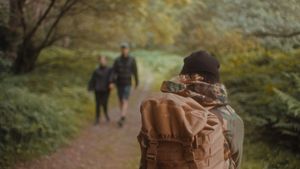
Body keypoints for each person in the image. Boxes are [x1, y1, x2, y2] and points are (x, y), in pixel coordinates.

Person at [138, 50, 244, 169]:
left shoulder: (162, 110)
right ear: (215, 82)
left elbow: (146, 153)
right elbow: (235, 161)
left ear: (182, 77)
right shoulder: (229, 118)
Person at [110, 43, 138, 127]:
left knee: (125, 99)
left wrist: (137, 81)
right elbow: (113, 72)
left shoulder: (132, 60)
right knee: (120, 100)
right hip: (119, 82)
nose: (124, 50)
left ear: (128, 50)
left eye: (125, 49)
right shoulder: (117, 60)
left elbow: (135, 71)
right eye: (123, 49)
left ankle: (122, 116)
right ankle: (123, 114)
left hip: (128, 83)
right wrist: (112, 82)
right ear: (121, 50)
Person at [88, 56, 112, 125]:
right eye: (101, 60)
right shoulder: (96, 70)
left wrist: (112, 83)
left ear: (106, 61)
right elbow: (92, 79)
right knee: (98, 104)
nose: (102, 61)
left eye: (103, 60)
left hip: (106, 90)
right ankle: (97, 118)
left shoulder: (109, 70)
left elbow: (112, 78)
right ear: (99, 61)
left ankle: (106, 115)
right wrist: (90, 88)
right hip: (97, 89)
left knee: (104, 103)